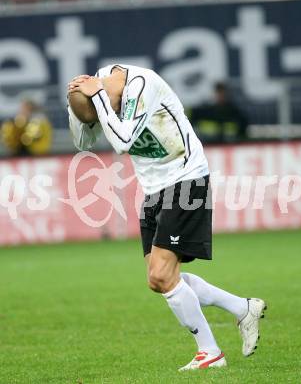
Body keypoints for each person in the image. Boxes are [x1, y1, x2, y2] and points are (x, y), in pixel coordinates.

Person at [67, 64, 266, 371]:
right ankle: (243, 308)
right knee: (158, 280)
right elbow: (83, 143)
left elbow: (121, 143)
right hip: (153, 188)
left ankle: (210, 352)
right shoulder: (102, 87)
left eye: (109, 105)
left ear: (111, 95)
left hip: (186, 179)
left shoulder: (142, 85)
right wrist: (77, 105)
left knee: (162, 274)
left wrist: (101, 101)